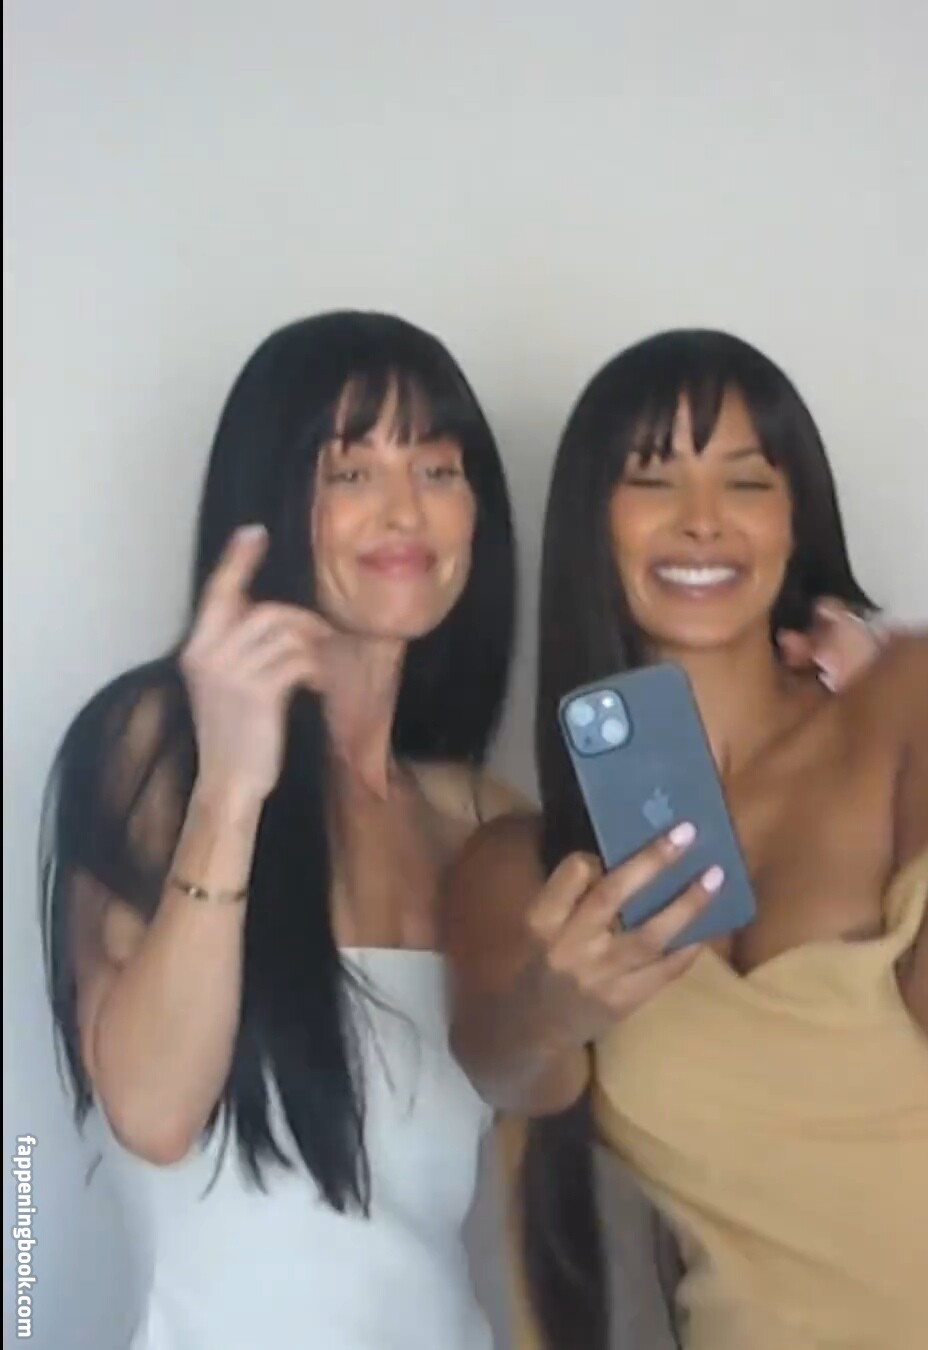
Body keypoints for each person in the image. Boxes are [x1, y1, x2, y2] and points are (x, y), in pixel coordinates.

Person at [444, 329, 928, 1350]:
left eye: (746, 481)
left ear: (793, 521)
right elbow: (505, 1069)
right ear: (592, 521)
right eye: (654, 480)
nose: (704, 520)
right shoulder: (518, 864)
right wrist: (553, 1011)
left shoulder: (921, 695)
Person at [38, 309, 535, 1350]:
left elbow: (528, 1197)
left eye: (439, 469)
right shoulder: (152, 743)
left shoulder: (482, 822)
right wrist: (232, 792)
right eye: (351, 471)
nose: (405, 510)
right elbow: (153, 1110)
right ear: (268, 498)